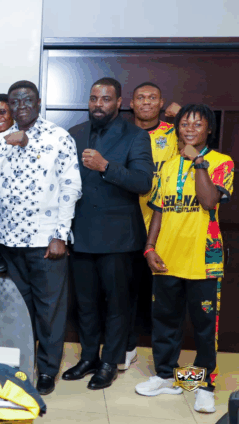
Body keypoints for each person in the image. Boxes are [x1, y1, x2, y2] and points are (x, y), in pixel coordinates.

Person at [0, 81, 82, 395]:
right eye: (15, 101)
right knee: (19, 311)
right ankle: (24, 364)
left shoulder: (58, 137)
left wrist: (60, 235)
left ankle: (47, 371)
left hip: (46, 241)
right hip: (10, 242)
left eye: (27, 100)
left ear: (38, 102)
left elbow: (71, 187)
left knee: (50, 311)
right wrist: (5, 145)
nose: (21, 105)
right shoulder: (1, 139)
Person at [135, 104, 233, 414]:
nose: (189, 129)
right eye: (184, 124)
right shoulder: (167, 166)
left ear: (209, 129)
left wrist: (198, 162)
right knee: (165, 324)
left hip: (204, 259)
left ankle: (203, 386)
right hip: (167, 258)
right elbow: (159, 210)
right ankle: (167, 377)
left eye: (197, 124)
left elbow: (209, 200)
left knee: (204, 328)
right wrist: (150, 247)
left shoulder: (222, 162)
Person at [62, 77, 153, 390]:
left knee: (117, 305)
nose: (98, 105)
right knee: (85, 304)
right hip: (81, 234)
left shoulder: (136, 135)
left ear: (119, 102)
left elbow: (143, 182)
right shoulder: (75, 133)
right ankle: (88, 358)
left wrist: (106, 166)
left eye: (105, 99)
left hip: (118, 238)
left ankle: (109, 363)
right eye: (93, 98)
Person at [121, 82, 180, 371]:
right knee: (126, 292)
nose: (146, 102)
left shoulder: (175, 133)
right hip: (127, 224)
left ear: (161, 103)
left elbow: (199, 152)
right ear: (131, 104)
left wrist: (182, 116)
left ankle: (167, 366)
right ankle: (128, 347)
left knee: (166, 298)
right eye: (140, 98)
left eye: (152, 97)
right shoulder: (122, 132)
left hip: (166, 226)